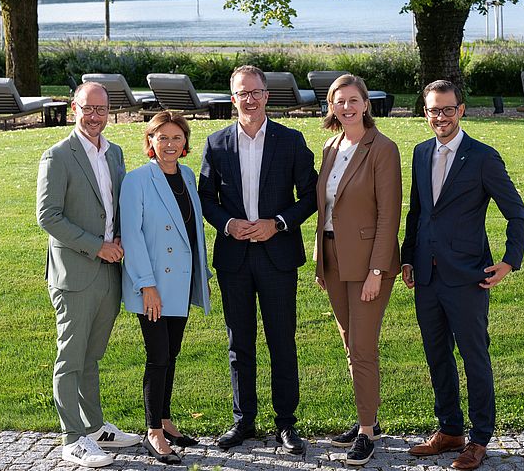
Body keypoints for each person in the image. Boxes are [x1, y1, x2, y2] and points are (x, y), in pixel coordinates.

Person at [401, 80, 524, 470]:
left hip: (468, 277)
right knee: (437, 355)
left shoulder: (483, 157)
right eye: (433, 110)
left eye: (447, 109)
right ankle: (450, 429)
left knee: (475, 357)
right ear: (425, 113)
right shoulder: (421, 153)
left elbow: (516, 213)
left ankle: (479, 438)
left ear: (462, 109)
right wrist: (408, 258)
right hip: (426, 275)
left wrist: (509, 261)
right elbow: (418, 213)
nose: (441, 117)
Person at [198, 65, 318, 454]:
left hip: (278, 256)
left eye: (256, 92)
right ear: (232, 98)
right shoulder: (216, 144)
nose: (249, 99)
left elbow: (312, 196)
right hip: (234, 258)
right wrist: (228, 223)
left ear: (267, 95)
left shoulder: (291, 141)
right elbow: (205, 200)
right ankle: (243, 420)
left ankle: (286, 424)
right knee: (240, 343)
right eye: (242, 93)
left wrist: (279, 223)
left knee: (282, 340)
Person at [36, 82, 139, 468]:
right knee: (71, 357)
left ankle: (95, 429)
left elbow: (115, 205)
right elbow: (48, 216)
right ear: (73, 109)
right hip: (75, 272)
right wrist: (96, 245)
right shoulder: (57, 156)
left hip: (110, 271)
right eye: (88, 109)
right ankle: (71, 438)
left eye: (101, 109)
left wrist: (119, 239)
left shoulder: (115, 153)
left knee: (92, 355)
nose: (95, 116)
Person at [314, 74, 402, 466]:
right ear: (331, 106)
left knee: (363, 347)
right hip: (333, 259)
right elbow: (327, 211)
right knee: (351, 345)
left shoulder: (383, 148)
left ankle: (366, 432)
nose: (346, 107)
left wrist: (378, 271)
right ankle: (369, 419)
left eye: (353, 100)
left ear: (366, 104)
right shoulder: (331, 146)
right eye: (339, 101)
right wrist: (321, 260)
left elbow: (389, 215)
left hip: (369, 264)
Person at [119, 111, 212, 465]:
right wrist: (147, 286)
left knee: (171, 354)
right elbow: (133, 236)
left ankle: (167, 419)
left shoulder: (188, 176)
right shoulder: (137, 180)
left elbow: (193, 232)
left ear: (185, 143)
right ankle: (153, 431)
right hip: (154, 285)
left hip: (181, 281)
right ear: (150, 142)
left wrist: (200, 273)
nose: (170, 144)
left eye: (177, 138)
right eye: (163, 138)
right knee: (157, 357)